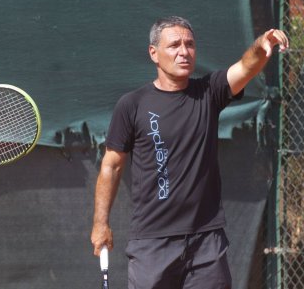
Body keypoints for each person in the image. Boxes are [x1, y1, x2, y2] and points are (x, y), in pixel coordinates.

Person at [91, 16, 289, 289]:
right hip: (151, 242)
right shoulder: (132, 105)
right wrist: (101, 223)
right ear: (154, 54)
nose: (184, 52)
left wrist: (261, 44)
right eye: (174, 45)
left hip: (206, 242)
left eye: (190, 44)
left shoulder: (210, 92)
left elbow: (246, 66)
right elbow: (111, 166)